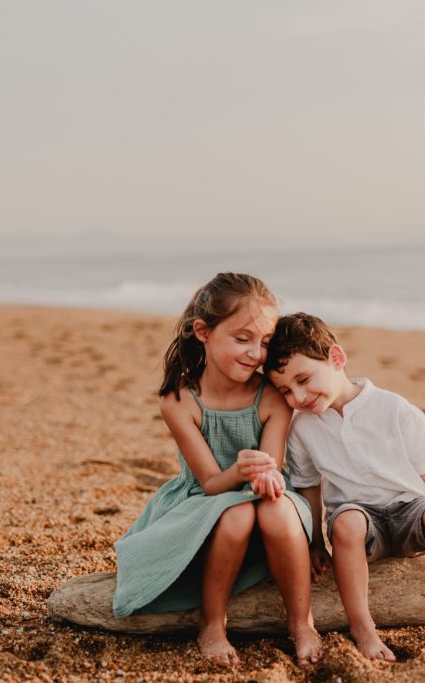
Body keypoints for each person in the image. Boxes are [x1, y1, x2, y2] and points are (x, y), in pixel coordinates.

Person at [264, 312, 425, 661]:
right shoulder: (302, 428)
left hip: (410, 512)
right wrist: (316, 541)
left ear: (336, 358)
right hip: (360, 521)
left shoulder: (394, 408)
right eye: (286, 390)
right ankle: (363, 629)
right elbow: (309, 488)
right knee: (347, 522)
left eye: (303, 378)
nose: (298, 396)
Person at [112, 273, 321, 666]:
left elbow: (271, 470)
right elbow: (210, 483)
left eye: (264, 341)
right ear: (203, 332)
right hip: (206, 504)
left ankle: (301, 622)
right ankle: (212, 622)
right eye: (242, 339)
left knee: (272, 507)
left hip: (268, 499)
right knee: (235, 511)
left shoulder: (273, 396)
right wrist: (240, 470)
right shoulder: (179, 401)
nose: (256, 353)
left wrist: (262, 474)